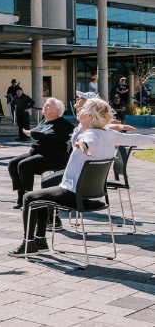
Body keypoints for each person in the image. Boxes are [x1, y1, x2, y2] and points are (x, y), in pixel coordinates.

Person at [9, 98, 155, 257]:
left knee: (29, 198)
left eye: (84, 108)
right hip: (91, 193)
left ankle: (30, 243)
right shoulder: (107, 133)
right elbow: (133, 139)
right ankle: (40, 240)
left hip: (73, 193)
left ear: (91, 115)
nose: (80, 108)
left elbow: (89, 139)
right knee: (45, 185)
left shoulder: (91, 135)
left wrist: (84, 145)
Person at [7, 98, 75, 209]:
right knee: (13, 163)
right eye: (45, 104)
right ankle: (21, 196)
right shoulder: (44, 120)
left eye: (48, 105)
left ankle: (29, 198)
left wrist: (32, 132)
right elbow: (38, 134)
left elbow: (47, 135)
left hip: (53, 156)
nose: (45, 106)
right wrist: (33, 133)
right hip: (37, 153)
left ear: (57, 110)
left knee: (24, 165)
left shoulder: (64, 124)